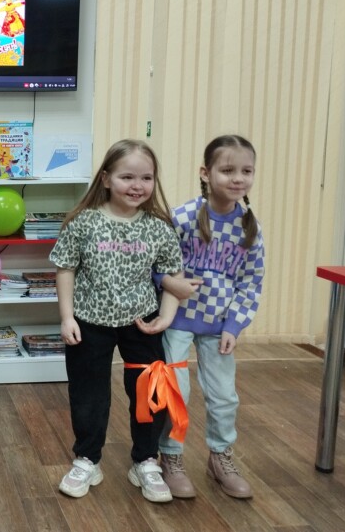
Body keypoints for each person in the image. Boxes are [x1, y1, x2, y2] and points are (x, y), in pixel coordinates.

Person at [49, 139, 184, 503]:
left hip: (142, 323)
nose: (137, 185)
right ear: (107, 179)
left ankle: (146, 461)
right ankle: (87, 459)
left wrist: (165, 317)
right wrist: (66, 317)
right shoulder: (84, 222)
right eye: (127, 177)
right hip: (89, 322)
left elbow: (173, 275)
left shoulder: (159, 227)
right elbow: (65, 269)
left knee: (149, 393)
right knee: (88, 394)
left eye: (146, 178)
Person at [157, 135, 264, 500]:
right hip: (176, 321)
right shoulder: (183, 217)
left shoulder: (250, 228)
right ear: (206, 173)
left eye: (246, 171)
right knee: (176, 392)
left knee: (223, 397)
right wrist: (168, 284)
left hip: (219, 327)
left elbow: (251, 282)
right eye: (228, 170)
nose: (238, 178)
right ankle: (170, 457)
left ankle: (220, 458)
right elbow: (157, 264)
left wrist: (234, 324)